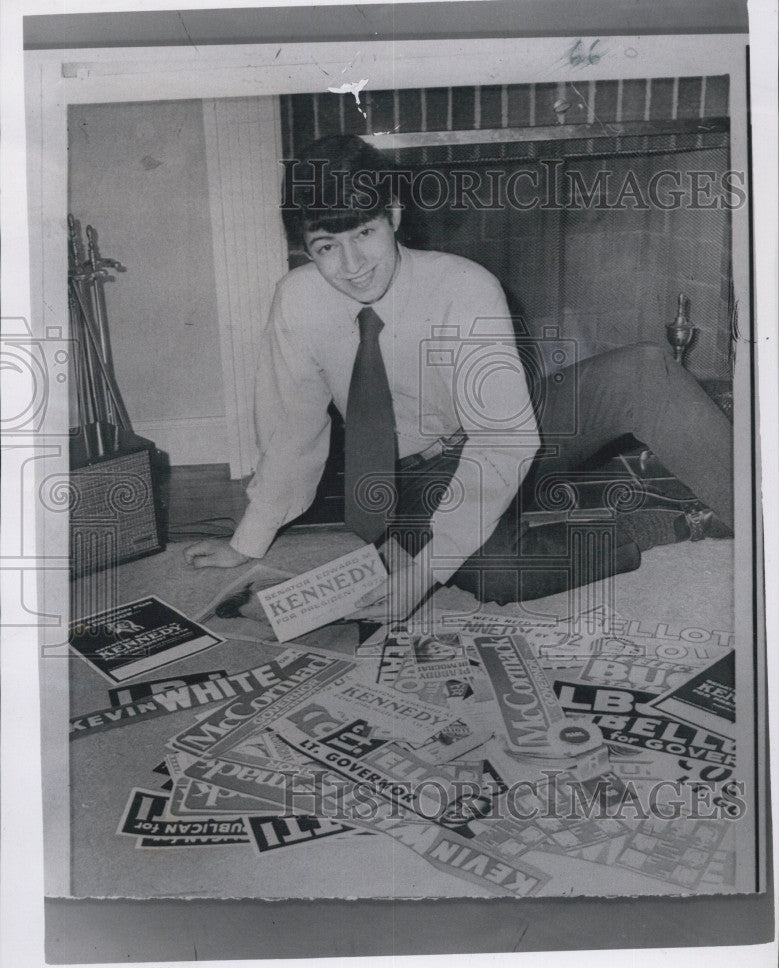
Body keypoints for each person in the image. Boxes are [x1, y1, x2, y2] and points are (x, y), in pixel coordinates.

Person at [185, 134, 733, 621]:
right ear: (306, 248)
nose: (351, 264)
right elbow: (291, 427)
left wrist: (421, 577)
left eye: (363, 233)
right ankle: (669, 524)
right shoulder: (297, 302)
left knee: (642, 371)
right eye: (327, 247)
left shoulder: (465, 285)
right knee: (497, 574)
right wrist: (251, 538)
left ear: (394, 216)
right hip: (412, 474)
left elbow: (503, 438)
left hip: (505, 428)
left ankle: (757, 515)